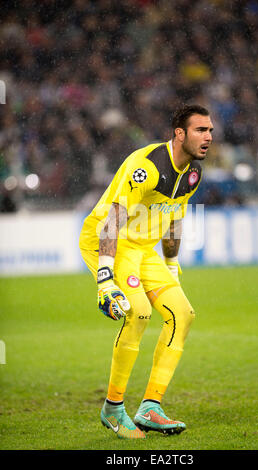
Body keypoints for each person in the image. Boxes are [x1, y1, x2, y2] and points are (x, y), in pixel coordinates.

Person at [79, 104, 213, 439]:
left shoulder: (193, 173)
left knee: (182, 315)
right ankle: (112, 408)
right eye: (200, 130)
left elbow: (175, 219)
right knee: (137, 312)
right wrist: (105, 279)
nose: (208, 137)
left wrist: (170, 264)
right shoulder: (146, 165)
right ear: (179, 133)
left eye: (210, 130)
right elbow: (113, 219)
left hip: (142, 249)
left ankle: (150, 407)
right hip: (111, 239)